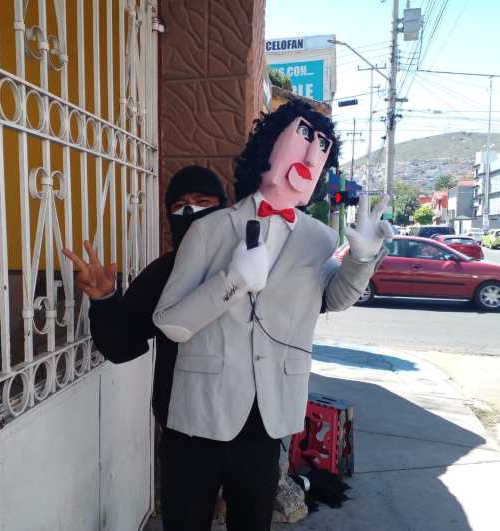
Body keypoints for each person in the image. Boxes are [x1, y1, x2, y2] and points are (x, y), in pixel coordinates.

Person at [152, 99, 392, 531]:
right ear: (267, 150)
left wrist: (363, 260)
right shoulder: (211, 228)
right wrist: (232, 280)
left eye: (320, 149)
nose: (308, 158)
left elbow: (333, 300)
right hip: (199, 415)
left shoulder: (318, 238)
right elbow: (170, 320)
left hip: (268, 416)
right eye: (301, 140)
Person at [61, 165, 228, 514]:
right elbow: (120, 344)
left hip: (251, 432)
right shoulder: (164, 273)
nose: (191, 212)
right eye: (180, 205)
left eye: (202, 201)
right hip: (185, 429)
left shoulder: (252, 263)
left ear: (223, 207)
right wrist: (105, 300)